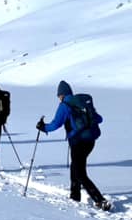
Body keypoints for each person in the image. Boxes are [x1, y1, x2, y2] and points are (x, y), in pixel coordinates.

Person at [37, 81, 111, 211]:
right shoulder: (82, 102)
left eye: (58, 95)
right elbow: (99, 119)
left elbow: (55, 124)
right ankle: (75, 194)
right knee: (75, 166)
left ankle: (100, 200)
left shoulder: (65, 106)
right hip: (91, 140)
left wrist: (43, 127)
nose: (58, 98)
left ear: (61, 95)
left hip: (78, 141)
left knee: (80, 172)